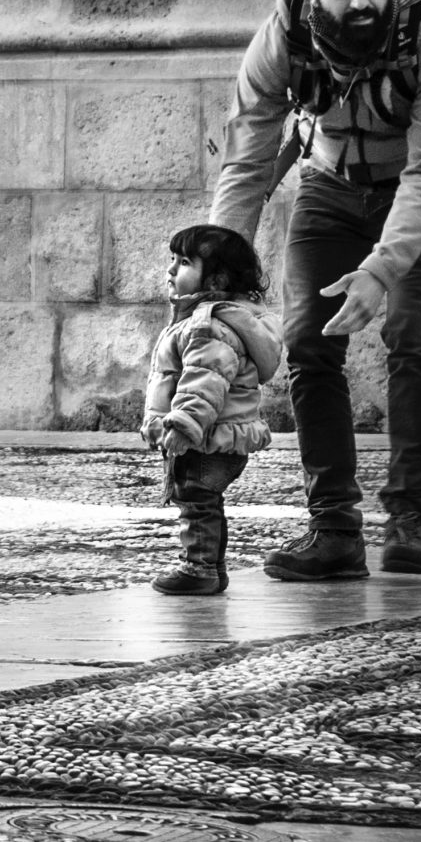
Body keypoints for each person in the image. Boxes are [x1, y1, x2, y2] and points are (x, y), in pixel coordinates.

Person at [210, 0, 421, 582]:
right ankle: (333, 529)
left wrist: (381, 269)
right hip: (329, 187)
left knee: (413, 335)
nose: (360, 0)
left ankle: (409, 517)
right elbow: (246, 157)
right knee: (307, 342)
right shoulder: (284, 31)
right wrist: (215, 281)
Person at [141, 224, 280, 597]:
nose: (171, 269)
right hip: (218, 434)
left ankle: (198, 568)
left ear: (216, 280)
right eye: (173, 259)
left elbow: (204, 382)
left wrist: (183, 425)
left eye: (184, 262)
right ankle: (212, 568)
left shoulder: (208, 327)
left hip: (205, 436)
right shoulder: (212, 320)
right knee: (205, 500)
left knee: (195, 499)